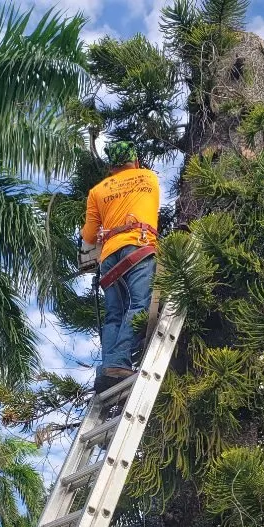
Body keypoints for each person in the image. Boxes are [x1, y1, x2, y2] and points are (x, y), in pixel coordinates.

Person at [81, 141, 160, 394]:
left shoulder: (97, 191)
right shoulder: (148, 177)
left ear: (111, 167)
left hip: (109, 256)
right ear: (135, 161)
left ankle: (109, 366)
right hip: (139, 245)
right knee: (139, 305)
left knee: (114, 314)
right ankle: (119, 361)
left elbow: (90, 236)